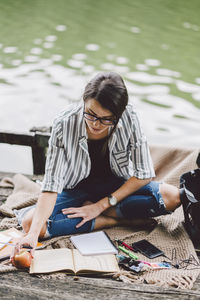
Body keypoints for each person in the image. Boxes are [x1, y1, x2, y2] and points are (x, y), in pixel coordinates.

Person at [11, 72, 181, 258]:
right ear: (84, 101)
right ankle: (109, 221)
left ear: (118, 113)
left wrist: (100, 205)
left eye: (106, 119)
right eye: (90, 114)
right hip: (76, 188)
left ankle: (107, 211)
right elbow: (51, 186)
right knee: (29, 224)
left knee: (172, 197)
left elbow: (144, 173)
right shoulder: (64, 122)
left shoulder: (129, 116)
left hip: (118, 187)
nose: (96, 124)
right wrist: (33, 235)